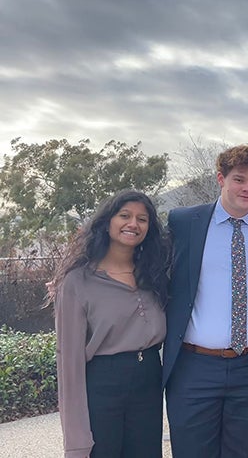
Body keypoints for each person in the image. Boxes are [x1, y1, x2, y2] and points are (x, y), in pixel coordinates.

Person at [163, 144, 248, 458]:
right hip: (193, 367)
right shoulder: (184, 223)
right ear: (221, 179)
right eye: (239, 179)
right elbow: (149, 268)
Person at [51, 189, 169, 458]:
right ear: (107, 222)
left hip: (149, 376)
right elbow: (68, 359)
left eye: (142, 219)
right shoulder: (77, 281)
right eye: (124, 215)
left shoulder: (153, 274)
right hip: (103, 382)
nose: (133, 224)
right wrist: (75, 438)